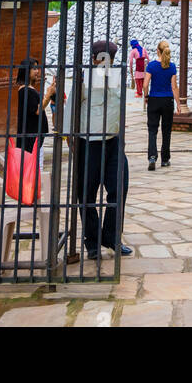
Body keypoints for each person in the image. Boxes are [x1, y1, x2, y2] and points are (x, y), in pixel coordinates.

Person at [66, 39, 131, 260]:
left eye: (111, 60)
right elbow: (70, 111)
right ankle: (92, 242)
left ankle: (111, 237)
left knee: (119, 187)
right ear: (95, 60)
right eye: (106, 60)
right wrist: (71, 140)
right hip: (88, 143)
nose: (109, 64)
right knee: (86, 194)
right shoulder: (83, 81)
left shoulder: (115, 79)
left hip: (113, 142)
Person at [143, 39, 180, 170]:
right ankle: (165, 159)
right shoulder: (172, 66)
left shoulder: (151, 66)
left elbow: (145, 84)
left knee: (152, 130)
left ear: (157, 51)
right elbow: (174, 87)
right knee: (166, 131)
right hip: (167, 101)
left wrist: (146, 97)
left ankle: (152, 157)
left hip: (154, 100)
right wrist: (178, 104)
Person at [15, 58, 55, 154]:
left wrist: (50, 93)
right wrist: (48, 94)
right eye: (34, 69)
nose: (37, 71)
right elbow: (37, 110)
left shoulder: (30, 89)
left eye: (37, 68)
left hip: (36, 137)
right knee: (33, 165)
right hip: (30, 139)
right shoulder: (24, 90)